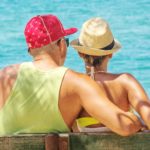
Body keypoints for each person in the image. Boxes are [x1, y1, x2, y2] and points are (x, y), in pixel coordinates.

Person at [0, 14, 142, 136]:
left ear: (30, 50)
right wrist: (134, 119)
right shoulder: (76, 83)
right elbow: (125, 127)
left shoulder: (5, 76)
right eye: (66, 42)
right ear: (61, 44)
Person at [71, 17, 150, 132]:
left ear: (80, 53)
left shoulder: (74, 86)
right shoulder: (126, 82)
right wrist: (138, 122)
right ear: (111, 53)